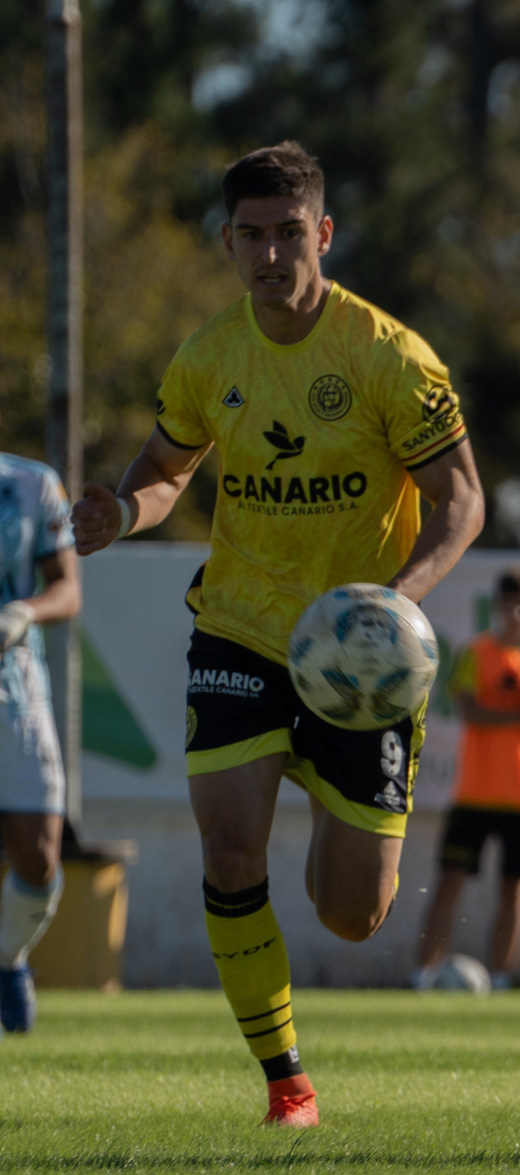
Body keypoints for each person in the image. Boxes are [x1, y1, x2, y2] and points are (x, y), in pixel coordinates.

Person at [70, 142, 484, 1125]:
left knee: (351, 911)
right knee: (227, 853)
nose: (269, 255)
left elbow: (460, 498)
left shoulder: (390, 356)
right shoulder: (210, 357)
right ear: (227, 242)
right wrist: (120, 514)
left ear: (323, 235)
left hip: (361, 654)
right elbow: (166, 468)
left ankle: (328, 795)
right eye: (250, 236)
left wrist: (404, 597)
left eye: (288, 234)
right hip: (241, 633)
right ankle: (285, 1079)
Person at [414, 568, 520, 991]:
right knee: (448, 884)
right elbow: (471, 712)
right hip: (475, 793)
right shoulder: (474, 652)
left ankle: (499, 980)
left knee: (514, 892)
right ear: (496, 607)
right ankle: (423, 975)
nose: (515, 615)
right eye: (507, 607)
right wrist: (516, 718)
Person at [0, 453, 80, 1033]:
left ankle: (6, 956)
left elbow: (67, 589)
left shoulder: (31, 483)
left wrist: (23, 612)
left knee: (40, 852)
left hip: (14, 688)